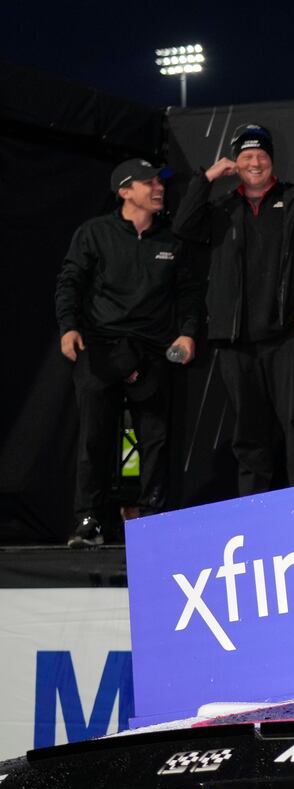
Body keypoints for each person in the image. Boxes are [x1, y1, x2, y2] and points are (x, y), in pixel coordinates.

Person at [55, 159, 203, 546]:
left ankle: (153, 520)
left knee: (155, 438)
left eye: (160, 182)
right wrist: (68, 326)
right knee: (94, 438)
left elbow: (188, 294)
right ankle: (90, 522)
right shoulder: (95, 233)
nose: (158, 188)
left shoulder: (172, 240)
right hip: (101, 347)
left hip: (153, 350)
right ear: (125, 191)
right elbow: (70, 281)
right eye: (148, 182)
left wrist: (187, 335)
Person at [171, 125, 294, 493]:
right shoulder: (222, 207)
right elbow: (182, 226)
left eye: (262, 155)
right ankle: (255, 514)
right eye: (246, 156)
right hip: (235, 339)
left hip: (285, 335)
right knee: (249, 432)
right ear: (235, 163)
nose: (255, 162)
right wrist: (205, 178)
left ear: (272, 159)